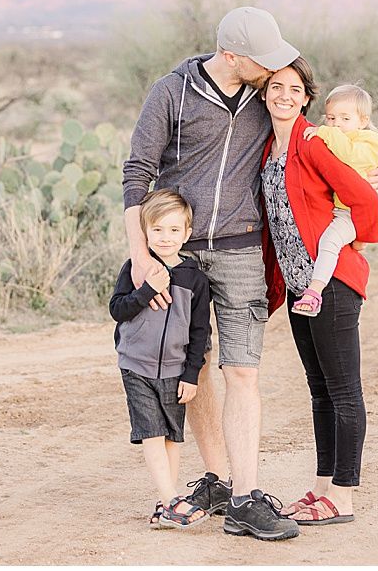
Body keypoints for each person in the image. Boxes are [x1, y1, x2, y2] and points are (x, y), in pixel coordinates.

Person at [122, 6, 304, 541]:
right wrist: (142, 257)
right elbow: (137, 172)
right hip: (178, 257)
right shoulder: (171, 92)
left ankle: (246, 497)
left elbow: (310, 134)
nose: (272, 69)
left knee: (242, 371)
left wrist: (364, 169)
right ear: (229, 55)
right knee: (193, 368)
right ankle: (218, 480)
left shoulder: (265, 93)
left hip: (242, 249)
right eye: (261, 59)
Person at [258, 57, 378, 527]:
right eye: (276, 86)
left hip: (330, 284)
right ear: (264, 93)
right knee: (319, 390)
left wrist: (359, 241)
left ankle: (343, 497)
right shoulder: (269, 147)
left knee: (344, 390)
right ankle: (322, 487)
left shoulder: (313, 141)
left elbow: (364, 197)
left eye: (295, 89)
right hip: (298, 286)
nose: (284, 95)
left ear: (306, 98)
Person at [109, 189, 212, 529]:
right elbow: (118, 309)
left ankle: (166, 502)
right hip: (135, 365)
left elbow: (200, 331)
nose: (165, 238)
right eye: (157, 230)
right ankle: (171, 501)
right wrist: (147, 290)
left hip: (175, 370)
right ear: (145, 231)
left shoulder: (195, 279)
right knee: (151, 432)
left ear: (186, 233)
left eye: (173, 230)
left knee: (171, 435)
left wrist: (191, 374)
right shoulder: (136, 268)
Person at [292, 84, 378, 317]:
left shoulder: (370, 142)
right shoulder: (335, 137)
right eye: (331, 118)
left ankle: (315, 291)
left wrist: (325, 133)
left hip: (352, 213)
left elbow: (350, 155)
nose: (336, 124)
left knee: (330, 242)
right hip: (340, 209)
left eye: (345, 118)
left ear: (363, 121)